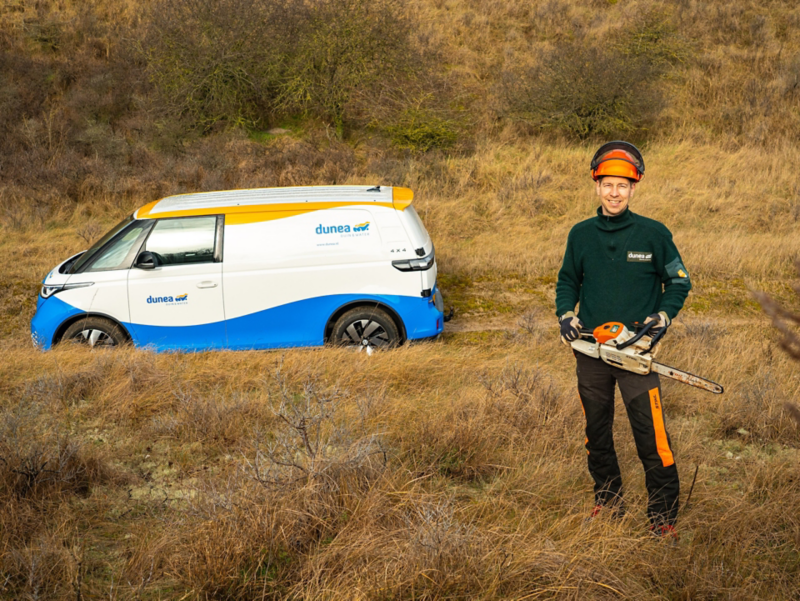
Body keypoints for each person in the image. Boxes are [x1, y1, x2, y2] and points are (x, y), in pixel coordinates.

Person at [554, 141, 691, 540]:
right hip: (591, 352)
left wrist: (663, 316)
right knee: (596, 432)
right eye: (608, 184)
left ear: (634, 188)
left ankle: (662, 517)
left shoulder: (653, 233)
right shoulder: (580, 234)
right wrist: (566, 314)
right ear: (597, 185)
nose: (615, 193)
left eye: (623, 186)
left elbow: (679, 284)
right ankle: (608, 500)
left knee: (652, 437)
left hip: (636, 353)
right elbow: (567, 281)